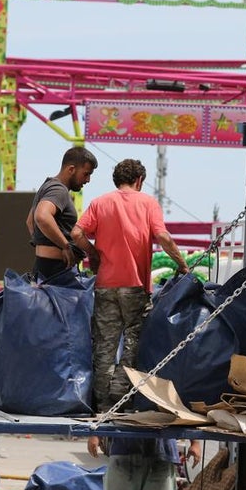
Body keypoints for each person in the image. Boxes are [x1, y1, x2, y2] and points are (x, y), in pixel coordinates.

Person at [70, 158, 188, 413]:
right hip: (135, 287)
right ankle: (120, 398)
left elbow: (77, 234)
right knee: (134, 341)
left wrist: (93, 253)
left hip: (104, 286)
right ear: (139, 180)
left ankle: (101, 405)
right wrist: (182, 264)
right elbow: (163, 237)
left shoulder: (100, 202)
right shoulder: (147, 203)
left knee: (104, 345)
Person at [26, 145, 97, 280]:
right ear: (71, 169)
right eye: (86, 174)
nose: (88, 180)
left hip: (44, 268)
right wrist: (65, 246)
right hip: (57, 272)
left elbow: (30, 222)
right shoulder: (59, 190)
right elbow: (41, 216)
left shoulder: (46, 186)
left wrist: (44, 247)